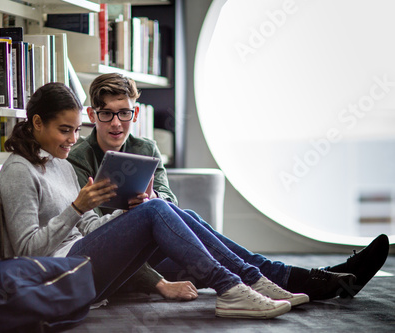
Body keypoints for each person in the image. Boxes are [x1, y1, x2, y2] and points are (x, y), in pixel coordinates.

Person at [0, 82, 309, 320]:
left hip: (85, 268)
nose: (73, 139)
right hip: (57, 278)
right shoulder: (18, 171)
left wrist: (124, 215)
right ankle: (233, 286)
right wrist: (76, 207)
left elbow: (89, 227)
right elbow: (26, 250)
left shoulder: (60, 165)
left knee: (167, 208)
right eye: (65, 130)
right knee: (158, 208)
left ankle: (250, 279)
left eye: (76, 130)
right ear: (37, 123)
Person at [67, 73, 390, 301]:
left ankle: (324, 279)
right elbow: (89, 232)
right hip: (125, 265)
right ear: (93, 115)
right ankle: (318, 279)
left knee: (209, 245)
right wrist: (159, 284)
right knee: (210, 251)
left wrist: (153, 199)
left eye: (124, 113)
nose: (116, 123)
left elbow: (168, 200)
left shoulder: (145, 148)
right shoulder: (80, 158)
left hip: (156, 250)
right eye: (107, 114)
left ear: (134, 112)